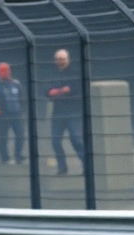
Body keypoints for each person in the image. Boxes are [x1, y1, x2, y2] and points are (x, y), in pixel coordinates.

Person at [47, 48, 85, 176]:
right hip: (58, 112)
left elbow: (73, 89)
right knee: (55, 140)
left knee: (76, 139)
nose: (60, 61)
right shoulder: (53, 73)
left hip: (73, 112)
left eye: (62, 59)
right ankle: (62, 168)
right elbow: (47, 91)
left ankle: (86, 165)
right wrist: (61, 91)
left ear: (67, 59)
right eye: (58, 59)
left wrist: (58, 92)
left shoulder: (75, 73)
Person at [0, 62, 24, 165]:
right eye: (1, 70)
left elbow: (21, 98)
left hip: (16, 114)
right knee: (3, 137)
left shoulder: (16, 83)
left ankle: (18, 155)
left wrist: (20, 110)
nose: (4, 72)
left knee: (20, 135)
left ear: (9, 71)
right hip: (3, 115)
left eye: (6, 70)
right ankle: (4, 157)